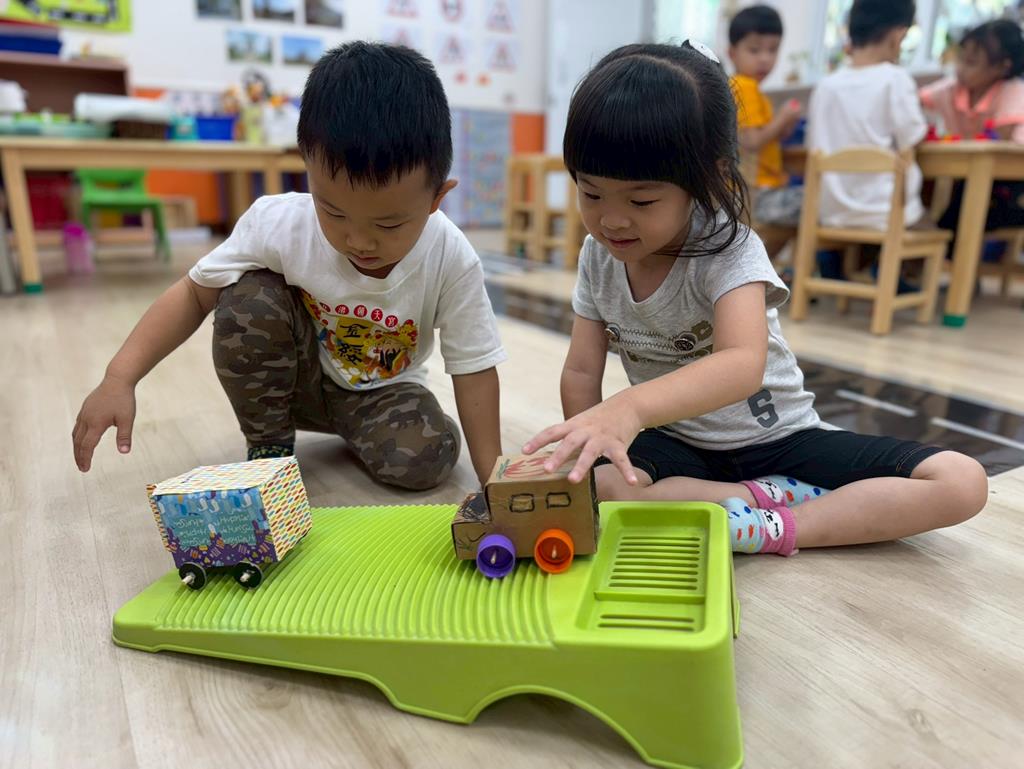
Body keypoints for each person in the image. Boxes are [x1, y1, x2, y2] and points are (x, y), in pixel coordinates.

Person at [522, 40, 987, 556]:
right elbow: (581, 370)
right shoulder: (598, 256)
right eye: (590, 193)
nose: (611, 219)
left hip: (781, 440)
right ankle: (753, 498)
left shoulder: (729, 249)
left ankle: (775, 525)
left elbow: (742, 364)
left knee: (960, 480)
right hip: (677, 444)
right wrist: (587, 449)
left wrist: (629, 407)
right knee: (604, 487)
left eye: (642, 199)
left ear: (711, 178)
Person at [72, 42, 506, 490]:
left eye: (388, 223)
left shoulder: (450, 256)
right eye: (333, 211)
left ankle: (359, 431)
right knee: (247, 297)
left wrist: (493, 479)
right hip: (291, 385)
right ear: (308, 172)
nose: (358, 241)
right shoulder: (277, 223)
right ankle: (270, 445)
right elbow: (193, 293)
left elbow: (473, 365)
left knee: (427, 459)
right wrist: (119, 377)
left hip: (383, 393)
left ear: (437, 198)